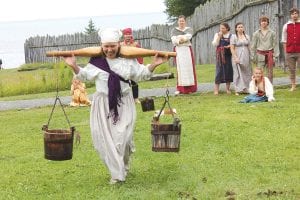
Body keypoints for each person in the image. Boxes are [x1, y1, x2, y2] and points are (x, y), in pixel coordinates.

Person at [63, 28, 168, 184]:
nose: (109, 50)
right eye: (106, 46)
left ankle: (123, 166)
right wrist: (73, 66)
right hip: (102, 105)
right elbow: (85, 75)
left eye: (112, 46)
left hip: (124, 102)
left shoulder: (128, 60)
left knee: (122, 140)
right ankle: (116, 174)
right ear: (101, 46)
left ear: (119, 45)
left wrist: (154, 65)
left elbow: (141, 74)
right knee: (103, 142)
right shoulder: (97, 61)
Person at [171, 15, 197, 94]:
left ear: (185, 22)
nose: (181, 22)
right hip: (179, 50)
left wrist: (181, 38)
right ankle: (181, 89)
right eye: (180, 21)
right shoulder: (174, 30)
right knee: (180, 69)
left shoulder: (189, 29)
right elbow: (173, 40)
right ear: (178, 22)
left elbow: (188, 37)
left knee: (189, 69)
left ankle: (190, 89)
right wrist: (181, 39)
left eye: (183, 21)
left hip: (186, 50)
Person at [250, 16, 279, 83]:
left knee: (270, 73)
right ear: (260, 23)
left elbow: (275, 44)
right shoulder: (256, 33)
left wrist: (275, 56)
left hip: (270, 54)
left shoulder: (272, 33)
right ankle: (260, 88)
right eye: (262, 21)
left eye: (265, 21)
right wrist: (253, 56)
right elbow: (253, 46)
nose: (263, 22)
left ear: (267, 23)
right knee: (259, 72)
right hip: (260, 55)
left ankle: (269, 87)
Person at [121, 28, 143, 103]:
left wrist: (140, 64)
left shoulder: (135, 44)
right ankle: (125, 99)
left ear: (131, 35)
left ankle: (135, 98)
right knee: (124, 82)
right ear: (124, 35)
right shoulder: (121, 45)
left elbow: (140, 54)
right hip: (124, 65)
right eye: (126, 34)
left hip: (133, 64)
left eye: (129, 34)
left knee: (134, 82)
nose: (127, 36)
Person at [230, 22, 252, 95]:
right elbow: (232, 48)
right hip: (237, 55)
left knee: (247, 72)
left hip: (246, 55)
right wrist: (235, 57)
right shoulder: (233, 37)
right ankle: (237, 89)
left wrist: (251, 55)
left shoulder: (247, 36)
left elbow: (249, 46)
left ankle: (246, 88)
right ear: (236, 29)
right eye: (239, 27)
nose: (240, 28)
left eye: (241, 27)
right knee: (237, 72)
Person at [281, 7, 300, 91]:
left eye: (296, 13)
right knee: (292, 69)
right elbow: (284, 40)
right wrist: (285, 52)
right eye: (292, 14)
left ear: (298, 14)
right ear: (290, 15)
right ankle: (293, 85)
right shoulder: (286, 25)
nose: (294, 15)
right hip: (290, 51)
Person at [212, 22, 233, 95]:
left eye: (223, 28)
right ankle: (216, 90)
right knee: (219, 72)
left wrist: (229, 46)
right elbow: (215, 44)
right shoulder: (217, 34)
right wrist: (219, 37)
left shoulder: (231, 35)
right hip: (220, 56)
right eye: (220, 28)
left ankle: (227, 89)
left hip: (227, 55)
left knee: (228, 71)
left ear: (227, 28)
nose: (221, 29)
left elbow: (233, 44)